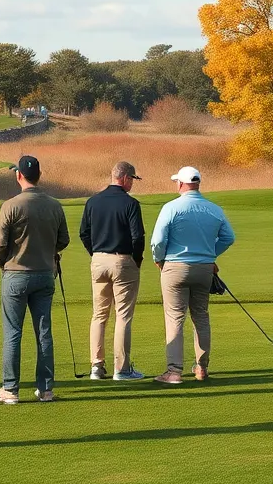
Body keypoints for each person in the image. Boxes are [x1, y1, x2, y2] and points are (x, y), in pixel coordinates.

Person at [0, 156, 70, 404]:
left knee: (13, 333)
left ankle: (10, 389)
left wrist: (4, 264)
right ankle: (46, 389)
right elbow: (63, 239)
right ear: (39, 175)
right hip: (45, 274)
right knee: (44, 332)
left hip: (16, 275)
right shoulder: (54, 205)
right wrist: (47, 251)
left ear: (19, 176)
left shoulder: (10, 206)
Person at [149, 166, 236, 384]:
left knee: (175, 317)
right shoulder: (214, 209)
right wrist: (210, 254)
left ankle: (174, 371)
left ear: (180, 184)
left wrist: (159, 259)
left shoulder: (171, 207)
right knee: (201, 316)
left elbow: (158, 241)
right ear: (197, 183)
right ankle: (201, 367)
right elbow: (228, 237)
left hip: (175, 267)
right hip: (204, 268)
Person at [80, 161, 146, 381]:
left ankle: (96, 367)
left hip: (98, 261)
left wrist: (95, 254)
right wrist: (137, 260)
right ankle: (122, 369)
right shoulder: (131, 204)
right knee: (123, 315)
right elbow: (138, 237)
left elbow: (84, 233)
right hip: (122, 260)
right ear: (125, 178)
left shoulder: (93, 201)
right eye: (133, 179)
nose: (133, 184)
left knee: (99, 315)